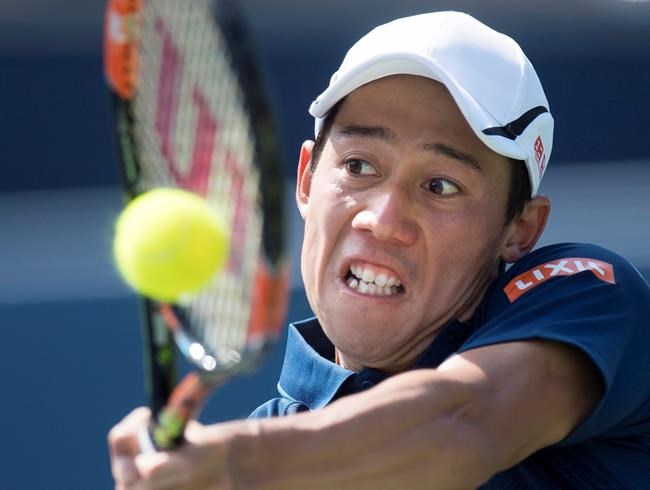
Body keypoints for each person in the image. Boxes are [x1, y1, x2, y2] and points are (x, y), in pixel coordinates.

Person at [109, 11, 650, 489]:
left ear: (519, 229)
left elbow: (458, 426)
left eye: (440, 186)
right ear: (305, 180)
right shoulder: (270, 439)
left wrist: (237, 466)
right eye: (359, 166)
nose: (382, 220)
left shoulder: (589, 295)